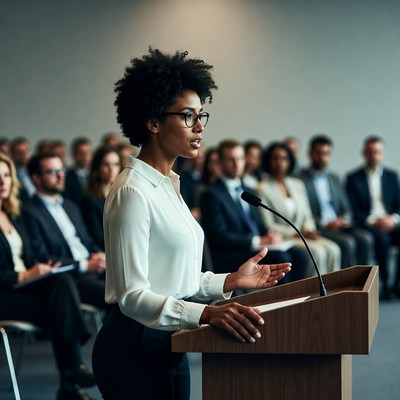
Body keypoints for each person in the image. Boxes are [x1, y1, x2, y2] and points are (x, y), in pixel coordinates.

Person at [91, 48, 291, 400]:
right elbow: (132, 296)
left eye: (201, 116)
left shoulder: (170, 185)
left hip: (172, 340)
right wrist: (208, 314)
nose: (199, 127)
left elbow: (170, 279)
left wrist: (230, 280)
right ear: (153, 121)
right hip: (133, 350)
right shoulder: (132, 191)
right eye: (187, 117)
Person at [0, 152, 96, 400]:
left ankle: (71, 380)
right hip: (6, 294)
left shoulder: (13, 214)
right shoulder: (24, 212)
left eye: (7, 175)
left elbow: (30, 259)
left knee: (61, 285)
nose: (3, 181)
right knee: (61, 310)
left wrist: (40, 269)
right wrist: (24, 276)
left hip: (27, 288)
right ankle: (71, 379)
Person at [200, 139, 307, 281]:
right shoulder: (211, 194)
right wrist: (257, 241)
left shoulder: (248, 190)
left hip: (257, 247)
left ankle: (297, 299)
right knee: (281, 258)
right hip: (233, 254)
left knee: (301, 256)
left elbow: (258, 224)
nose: (237, 163)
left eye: (240, 158)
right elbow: (220, 237)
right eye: (231, 159)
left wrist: (270, 236)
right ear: (219, 162)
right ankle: (279, 301)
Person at [22, 152, 109, 311]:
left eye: (61, 170)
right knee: (118, 297)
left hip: (94, 268)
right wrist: (84, 265)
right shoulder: (29, 211)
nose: (61, 176)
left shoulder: (71, 206)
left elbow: (87, 241)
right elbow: (42, 256)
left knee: (134, 289)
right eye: (53, 172)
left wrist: (100, 255)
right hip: (71, 277)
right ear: (36, 178)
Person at [257, 142, 341, 276]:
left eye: (284, 158)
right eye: (275, 158)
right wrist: (296, 233)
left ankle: (332, 292)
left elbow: (307, 214)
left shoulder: (297, 184)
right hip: (286, 238)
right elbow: (269, 225)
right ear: (268, 161)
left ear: (290, 161)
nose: (280, 162)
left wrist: (309, 229)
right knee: (318, 253)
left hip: (304, 234)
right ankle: (315, 294)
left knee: (334, 249)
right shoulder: (262, 188)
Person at [299, 135, 373, 267]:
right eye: (319, 153)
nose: (322, 158)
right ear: (310, 154)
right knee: (348, 243)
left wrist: (344, 219)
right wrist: (325, 224)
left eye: (326, 154)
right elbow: (302, 211)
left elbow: (346, 206)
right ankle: (346, 283)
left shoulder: (335, 178)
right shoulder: (300, 179)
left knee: (365, 239)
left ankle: (364, 282)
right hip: (320, 227)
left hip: (340, 225)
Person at [346, 136, 400, 299]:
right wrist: (374, 221)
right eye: (370, 152)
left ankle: (396, 284)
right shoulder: (353, 178)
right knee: (381, 241)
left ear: (382, 154)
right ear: (364, 153)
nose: (373, 155)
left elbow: (398, 204)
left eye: (377, 152)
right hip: (369, 223)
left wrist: (393, 219)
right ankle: (384, 283)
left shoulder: (391, 176)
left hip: (390, 222)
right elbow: (353, 210)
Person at [81, 146, 122, 250]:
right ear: (97, 167)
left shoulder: (123, 194)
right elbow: (99, 237)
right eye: (106, 164)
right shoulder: (89, 200)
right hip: (107, 251)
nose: (111, 169)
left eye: (116, 164)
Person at [64, 137, 93, 206]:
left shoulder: (95, 175)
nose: (84, 156)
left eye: (87, 153)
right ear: (73, 154)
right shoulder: (66, 177)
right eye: (80, 153)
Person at [10, 137, 36, 202]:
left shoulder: (37, 171)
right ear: (12, 155)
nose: (23, 155)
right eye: (19, 152)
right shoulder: (10, 173)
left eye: (25, 151)